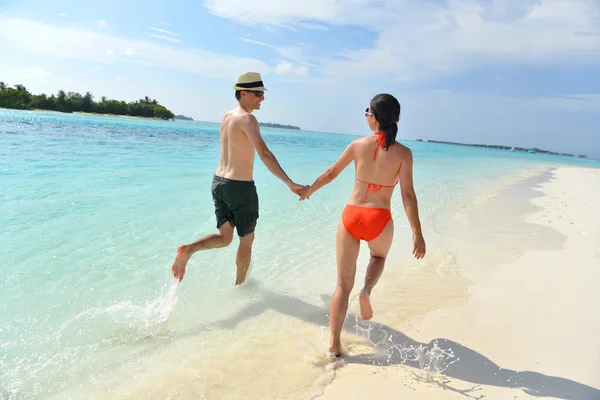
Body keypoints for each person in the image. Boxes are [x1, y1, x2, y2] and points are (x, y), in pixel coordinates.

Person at [298, 93, 426, 358]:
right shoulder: (404, 153)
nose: (366, 116)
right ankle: (366, 290)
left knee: (341, 287)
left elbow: (331, 173)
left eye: (368, 112)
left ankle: (333, 346)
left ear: (375, 118)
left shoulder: (358, 145)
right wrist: (417, 233)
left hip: (352, 216)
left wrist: (309, 189)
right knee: (378, 256)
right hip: (379, 218)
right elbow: (408, 195)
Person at [171, 72, 305, 285]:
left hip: (218, 183)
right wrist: (289, 182)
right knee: (246, 241)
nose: (262, 98)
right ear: (244, 93)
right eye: (258, 93)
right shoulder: (247, 118)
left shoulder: (227, 116)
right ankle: (240, 286)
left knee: (225, 239)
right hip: (239, 188)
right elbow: (265, 154)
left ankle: (188, 249)